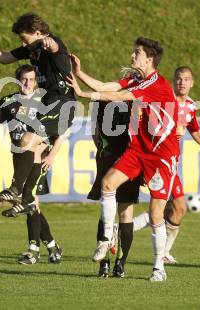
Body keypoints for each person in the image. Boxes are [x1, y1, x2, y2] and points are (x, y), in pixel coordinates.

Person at [68, 37, 179, 282]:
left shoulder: (157, 84)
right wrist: (80, 73)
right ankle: (106, 238)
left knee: (156, 214)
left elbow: (119, 97)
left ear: (149, 59)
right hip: (138, 150)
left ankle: (158, 268)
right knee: (107, 184)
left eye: (136, 53)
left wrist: (82, 93)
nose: (132, 56)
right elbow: (110, 86)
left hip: (161, 156)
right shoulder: (138, 80)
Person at [0, 13, 76, 214]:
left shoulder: (51, 43)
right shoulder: (31, 50)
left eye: (25, 38)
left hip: (62, 103)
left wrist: (49, 44)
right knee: (33, 148)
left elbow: (56, 47)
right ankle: (27, 199)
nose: (23, 42)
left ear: (38, 33)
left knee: (26, 141)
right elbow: (5, 57)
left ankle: (17, 190)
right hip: (49, 103)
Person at [0, 64, 63, 265]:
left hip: (39, 157)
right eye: (24, 79)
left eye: (31, 79)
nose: (28, 83)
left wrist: (52, 156)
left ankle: (33, 251)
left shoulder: (45, 100)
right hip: (20, 159)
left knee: (30, 201)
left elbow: (62, 132)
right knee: (30, 203)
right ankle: (52, 246)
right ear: (17, 80)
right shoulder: (8, 101)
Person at [133, 66, 200, 264]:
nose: (182, 82)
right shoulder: (164, 99)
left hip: (170, 162)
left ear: (192, 83)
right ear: (173, 81)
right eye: (179, 79)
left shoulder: (190, 106)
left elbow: (195, 131)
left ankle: (127, 231)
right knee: (176, 207)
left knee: (174, 209)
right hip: (156, 160)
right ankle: (158, 251)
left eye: (186, 79)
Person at [71, 54, 141, 278]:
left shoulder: (104, 99)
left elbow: (95, 132)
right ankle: (119, 264)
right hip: (128, 157)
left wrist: (102, 152)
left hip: (110, 156)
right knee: (124, 213)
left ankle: (107, 264)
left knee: (108, 213)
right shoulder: (135, 97)